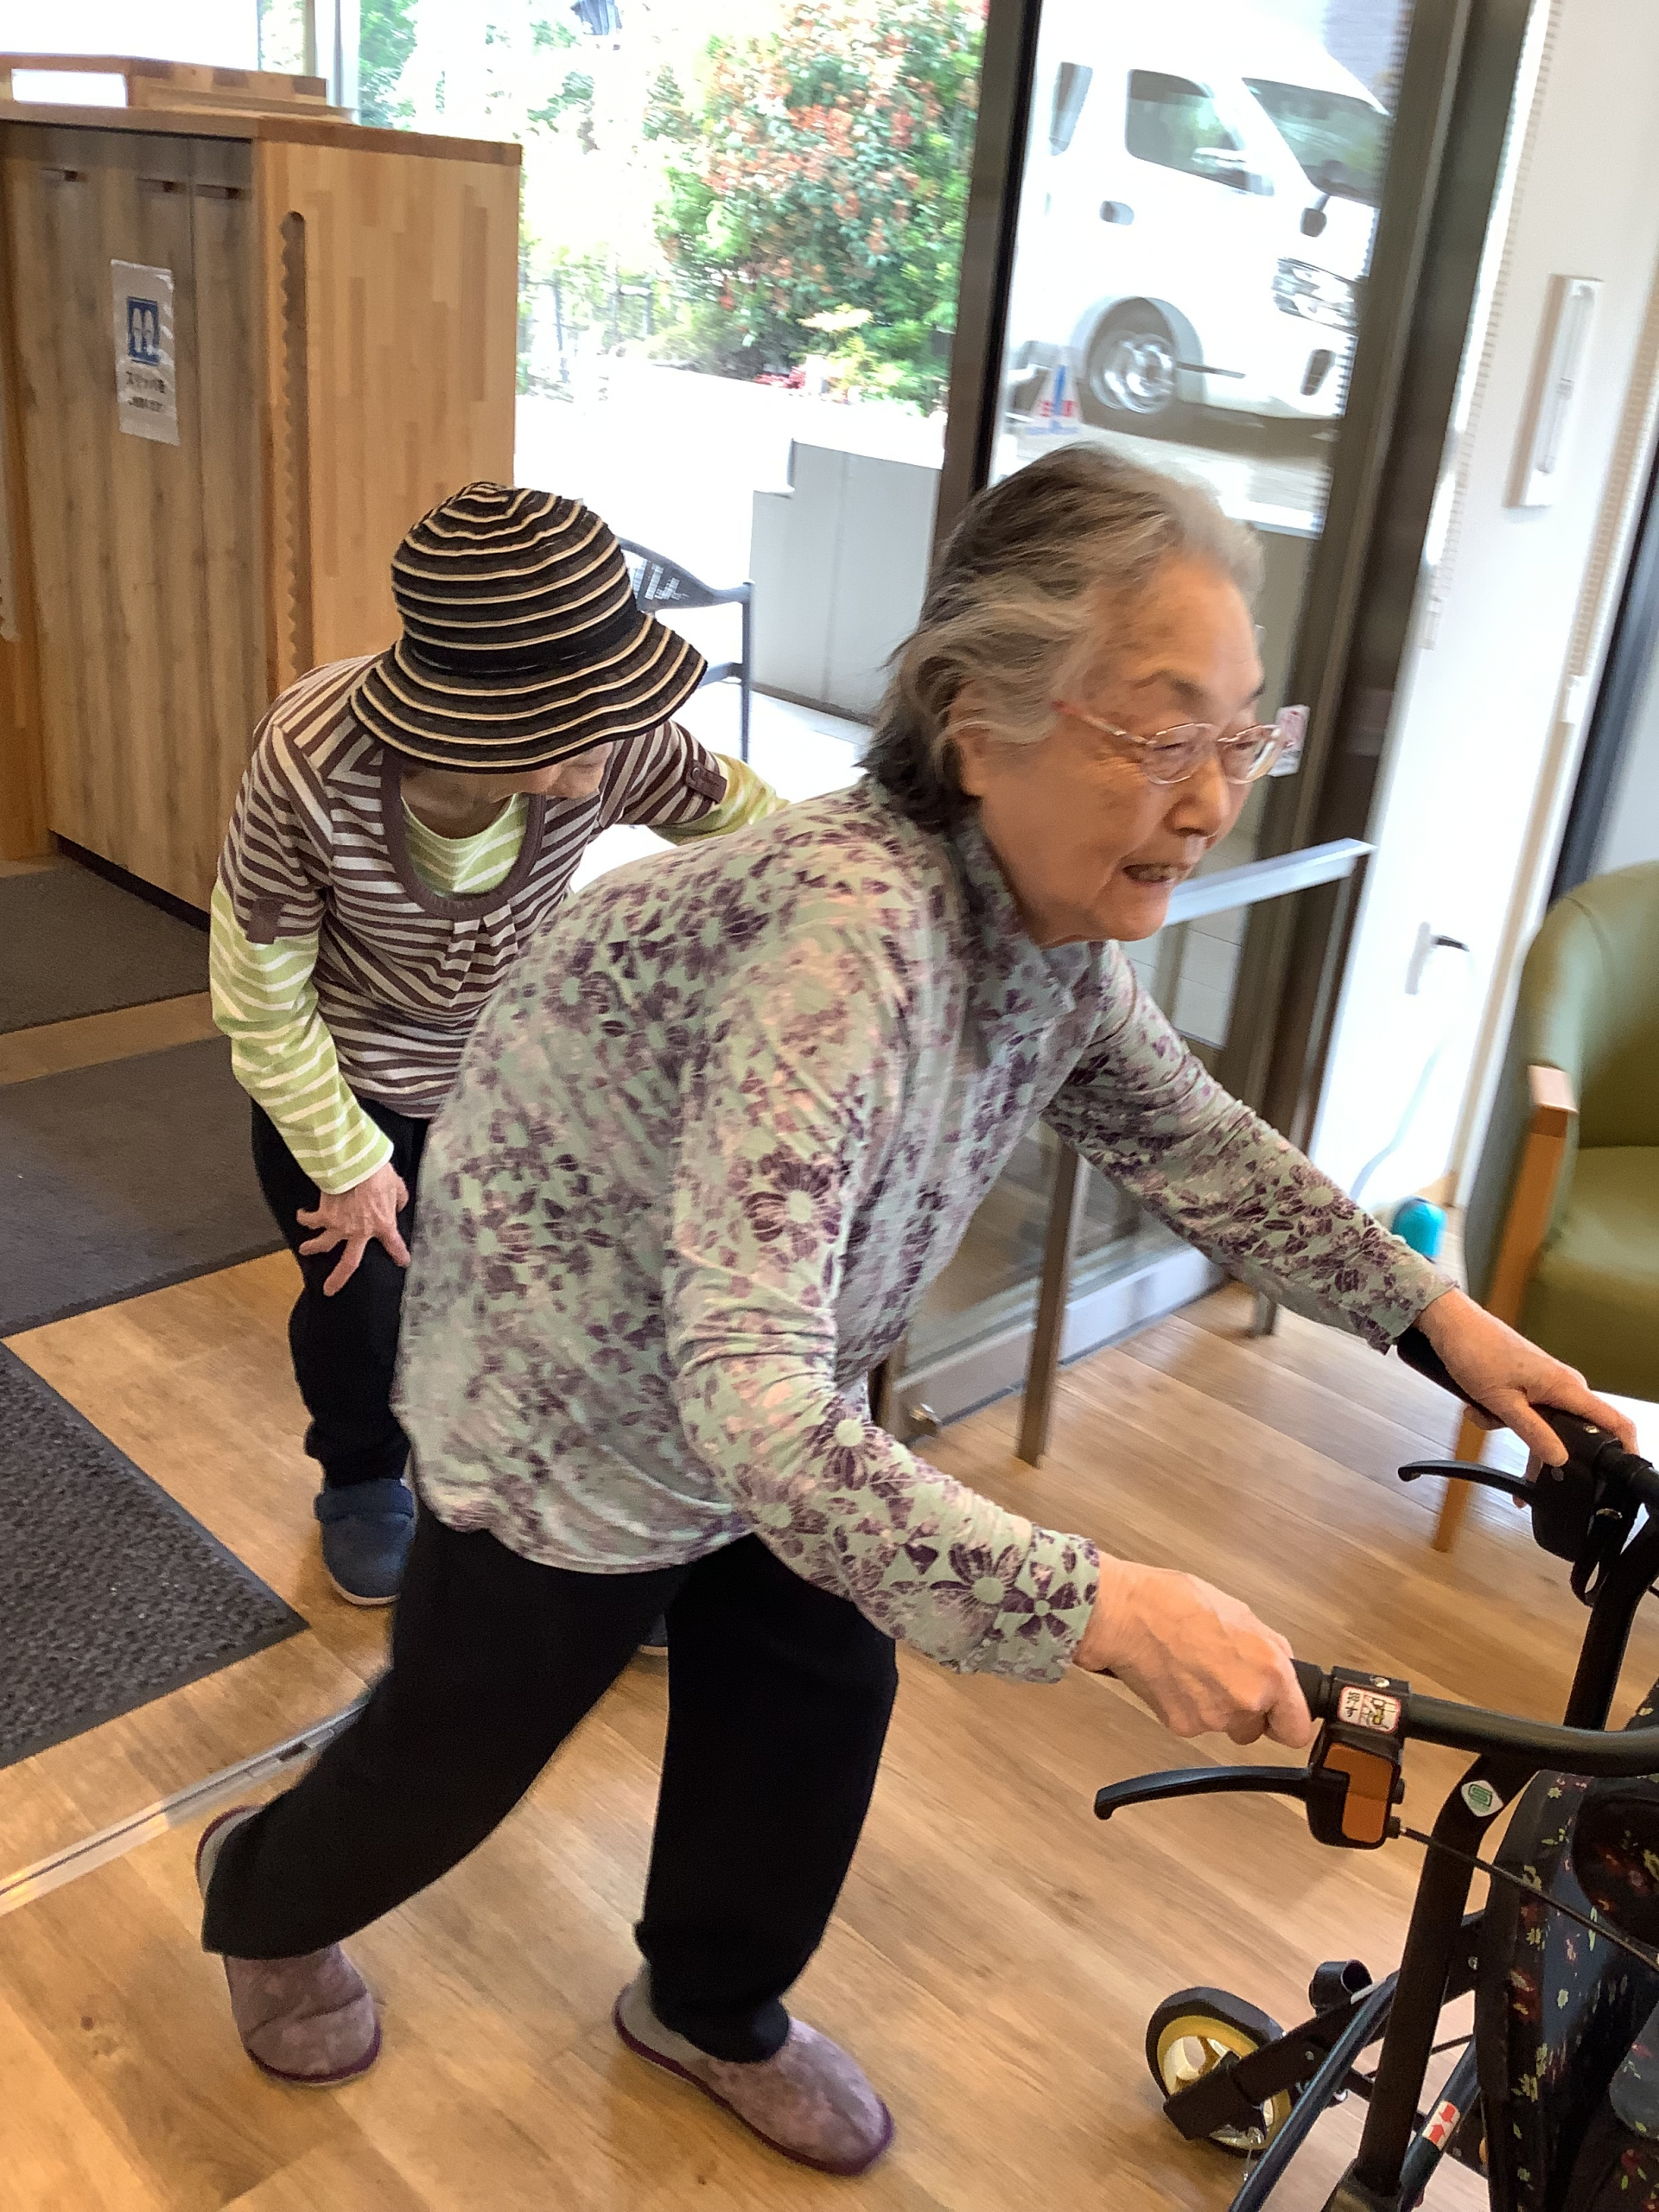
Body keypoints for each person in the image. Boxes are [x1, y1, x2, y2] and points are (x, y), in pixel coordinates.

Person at [197, 447, 1632, 2171]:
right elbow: (748, 1405)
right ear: (978, 721)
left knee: (813, 1693)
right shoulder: (844, 950)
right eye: (1160, 734)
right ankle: (263, 1890)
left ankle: (707, 2003)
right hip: (572, 1408)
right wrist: (1106, 1604)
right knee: (463, 1742)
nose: (1210, 797)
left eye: (1238, 735)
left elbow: (1183, 1132)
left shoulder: (1042, 925)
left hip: (769, 1387)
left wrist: (1436, 1320)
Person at [211, 483, 783, 1604]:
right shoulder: (311, 762)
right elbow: (260, 990)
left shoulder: (615, 741)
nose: (603, 759)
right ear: (473, 725)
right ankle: (361, 1478)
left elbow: (760, 827)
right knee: (366, 1305)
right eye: (566, 740)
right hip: (346, 1068)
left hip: (514, 1060)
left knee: (555, 1288)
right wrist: (350, 1162)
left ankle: (560, 1504)